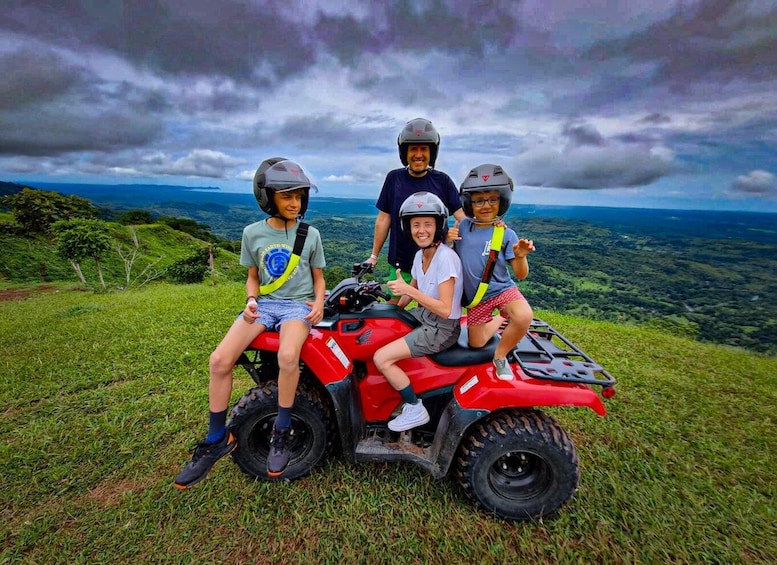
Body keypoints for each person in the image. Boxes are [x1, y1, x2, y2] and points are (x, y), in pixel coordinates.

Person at [174, 158, 326, 488]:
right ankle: (217, 438)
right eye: (287, 196)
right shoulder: (251, 234)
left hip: (296, 308)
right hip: (265, 306)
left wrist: (319, 302)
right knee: (218, 360)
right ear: (268, 197)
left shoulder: (309, 234)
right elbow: (252, 277)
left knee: (288, 357)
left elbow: (318, 277)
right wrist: (251, 300)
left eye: (299, 196)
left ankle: (282, 431)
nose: (294, 203)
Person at [373, 191, 463, 431]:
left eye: (427, 224)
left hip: (442, 328)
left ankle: (414, 407)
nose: (421, 230)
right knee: (378, 332)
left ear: (438, 227)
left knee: (381, 357)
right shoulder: (419, 255)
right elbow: (405, 296)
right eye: (415, 225)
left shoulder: (446, 259)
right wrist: (381, 310)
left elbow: (445, 309)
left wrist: (409, 292)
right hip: (425, 317)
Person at [447, 164, 535, 380]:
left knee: (524, 316)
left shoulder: (506, 234)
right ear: (469, 203)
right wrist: (447, 240)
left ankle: (500, 356)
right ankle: (500, 319)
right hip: (477, 300)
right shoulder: (462, 227)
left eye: (492, 199)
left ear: (501, 201)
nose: (485, 205)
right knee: (476, 343)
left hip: (501, 289)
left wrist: (521, 256)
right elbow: (446, 256)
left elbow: (521, 275)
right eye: (478, 200)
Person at [366, 118, 465, 302]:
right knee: (393, 310)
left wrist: (490, 226)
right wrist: (373, 256)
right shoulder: (394, 179)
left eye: (423, 149)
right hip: (400, 261)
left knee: (428, 312)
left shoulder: (442, 181)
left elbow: (463, 217)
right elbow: (383, 219)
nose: (418, 154)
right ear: (405, 152)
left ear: (431, 153)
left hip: (432, 262)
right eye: (413, 149)